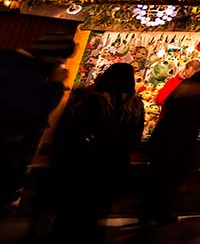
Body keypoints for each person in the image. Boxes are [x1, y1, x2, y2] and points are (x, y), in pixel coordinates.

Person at [45, 62, 144, 243]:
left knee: (70, 214)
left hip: (82, 164)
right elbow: (134, 140)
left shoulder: (89, 99)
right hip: (112, 166)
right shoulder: (134, 106)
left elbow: (70, 131)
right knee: (95, 213)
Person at [0, 32, 76, 215]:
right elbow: (34, 111)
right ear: (53, 61)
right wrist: (56, 85)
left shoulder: (8, 61)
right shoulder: (24, 75)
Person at [139, 59, 200, 225]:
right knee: (170, 176)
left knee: (154, 173)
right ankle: (163, 213)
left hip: (163, 134)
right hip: (182, 137)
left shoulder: (183, 86)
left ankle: (145, 213)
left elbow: (166, 102)